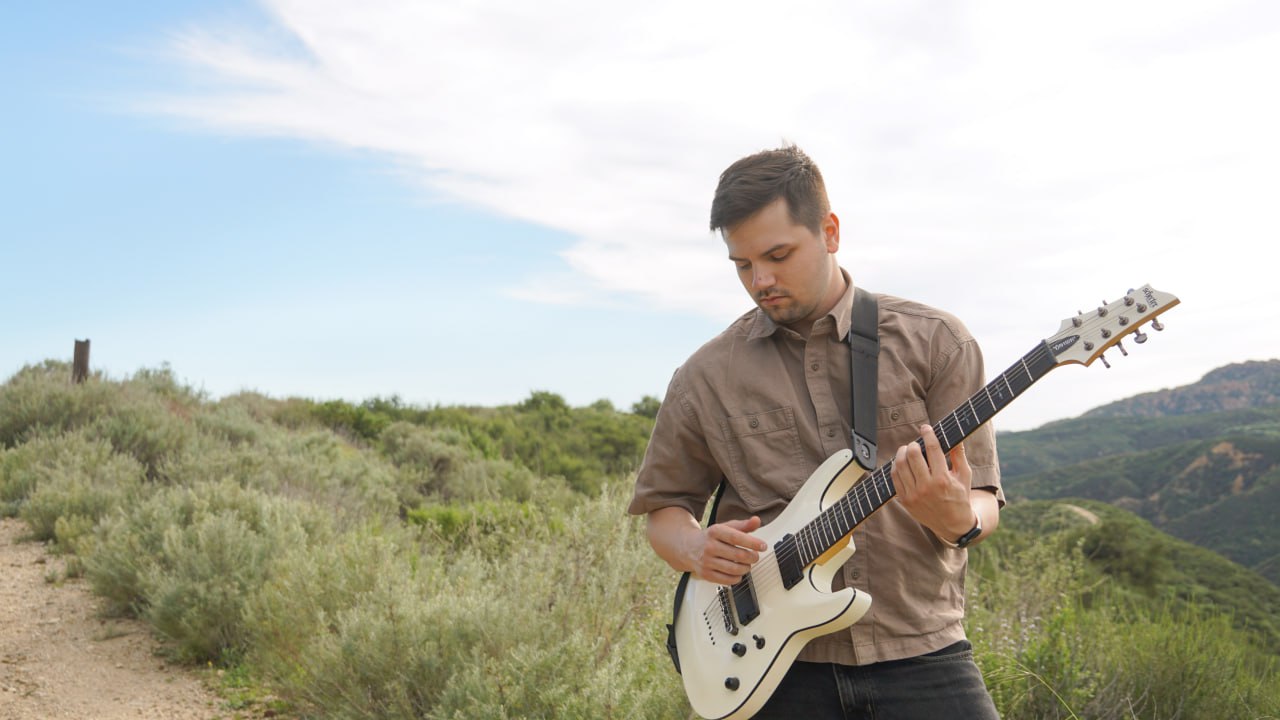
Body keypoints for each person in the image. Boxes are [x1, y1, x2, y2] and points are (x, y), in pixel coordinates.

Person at [627, 145, 1003, 718]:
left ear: (829, 231)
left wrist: (957, 516)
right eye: (742, 264)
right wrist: (696, 548)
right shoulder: (704, 377)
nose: (761, 279)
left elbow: (983, 500)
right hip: (775, 672)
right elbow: (665, 512)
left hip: (922, 651)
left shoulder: (937, 342)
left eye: (778, 254)